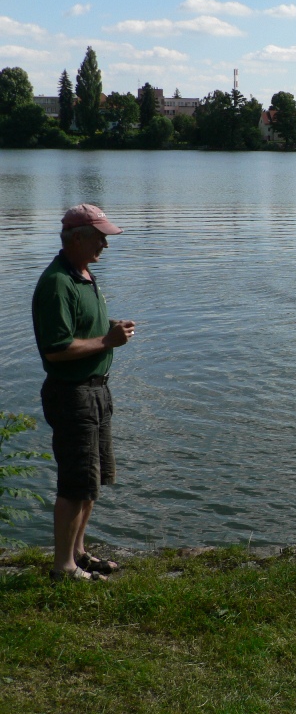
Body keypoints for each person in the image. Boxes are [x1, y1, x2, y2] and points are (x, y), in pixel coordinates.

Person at [32, 204, 136, 582]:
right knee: (74, 483)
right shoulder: (57, 283)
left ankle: (77, 553)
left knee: (90, 481)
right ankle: (63, 567)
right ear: (77, 238)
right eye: (99, 237)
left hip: (95, 391)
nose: (105, 245)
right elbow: (56, 349)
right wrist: (107, 341)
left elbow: (82, 327)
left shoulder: (83, 275)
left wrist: (108, 328)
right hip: (72, 394)